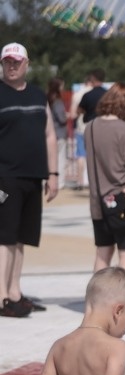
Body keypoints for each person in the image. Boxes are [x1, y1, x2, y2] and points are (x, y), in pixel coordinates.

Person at [0, 42, 59, 318]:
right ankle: (1, 297)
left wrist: (53, 173)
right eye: (7, 62)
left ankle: (14, 292)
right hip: (5, 176)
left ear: (26, 63)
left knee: (22, 237)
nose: (11, 66)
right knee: (4, 237)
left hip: (33, 176)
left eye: (16, 61)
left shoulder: (37, 95)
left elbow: (49, 134)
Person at [84, 83, 125, 273]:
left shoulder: (91, 127)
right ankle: (122, 299)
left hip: (99, 202)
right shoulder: (124, 129)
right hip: (123, 202)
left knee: (103, 253)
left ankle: (96, 300)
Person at [47, 78, 69, 189]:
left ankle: (46, 180)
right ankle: (60, 182)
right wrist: (67, 116)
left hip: (48, 133)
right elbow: (62, 118)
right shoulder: (58, 101)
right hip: (59, 133)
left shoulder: (47, 99)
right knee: (60, 159)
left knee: (49, 158)